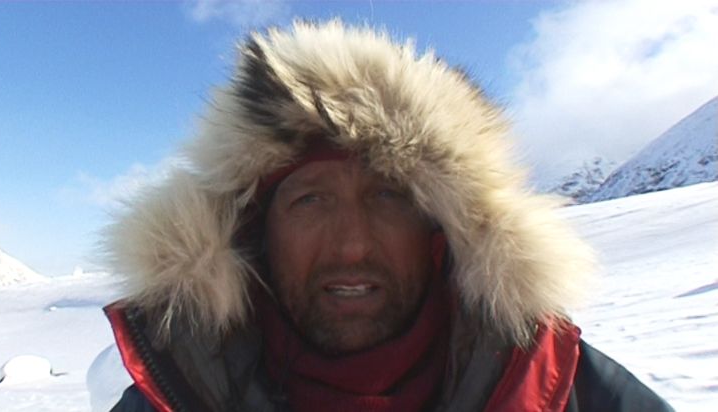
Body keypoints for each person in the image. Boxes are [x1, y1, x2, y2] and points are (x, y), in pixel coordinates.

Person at [103, 20, 673, 412]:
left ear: (441, 231)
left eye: (388, 197)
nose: (352, 246)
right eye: (309, 200)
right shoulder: (176, 388)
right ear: (252, 233)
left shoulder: (561, 386)